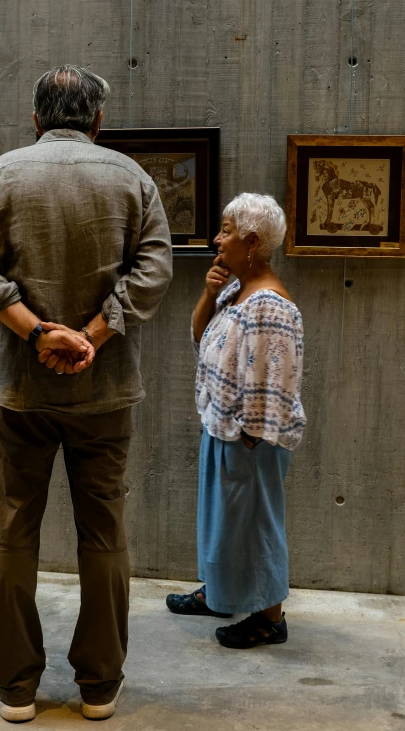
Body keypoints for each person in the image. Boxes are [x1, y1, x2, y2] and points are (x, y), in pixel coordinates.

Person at [0, 65, 172, 722]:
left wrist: (37, 331)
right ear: (97, 120)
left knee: (12, 533)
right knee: (103, 534)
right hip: (105, 393)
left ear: (35, 117)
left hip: (18, 388)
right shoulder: (133, 179)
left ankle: (16, 685)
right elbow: (156, 268)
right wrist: (92, 336)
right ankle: (100, 685)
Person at [166, 193, 306, 649]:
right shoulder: (233, 287)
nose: (216, 239)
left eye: (225, 231)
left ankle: (270, 618)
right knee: (224, 522)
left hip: (250, 438)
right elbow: (199, 333)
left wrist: (250, 437)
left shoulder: (271, 304)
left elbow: (276, 377)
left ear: (251, 240)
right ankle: (221, 594)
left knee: (256, 524)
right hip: (223, 426)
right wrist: (208, 293)